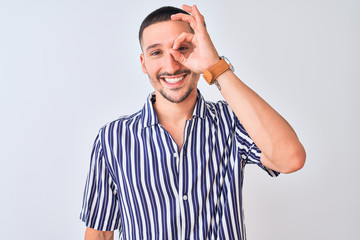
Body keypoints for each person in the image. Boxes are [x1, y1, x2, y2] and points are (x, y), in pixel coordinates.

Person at [80, 4, 306, 240]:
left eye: (183, 48)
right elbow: (100, 233)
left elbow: (290, 158)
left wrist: (216, 67)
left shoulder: (232, 122)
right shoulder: (112, 138)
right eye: (156, 53)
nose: (171, 65)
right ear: (143, 62)